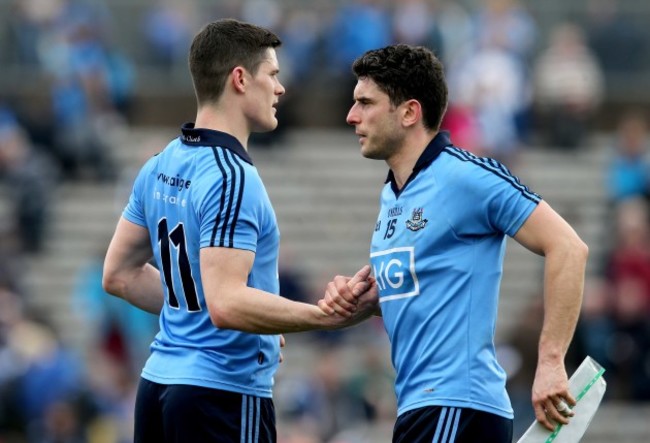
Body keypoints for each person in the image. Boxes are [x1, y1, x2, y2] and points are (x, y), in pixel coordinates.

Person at [102, 19, 377, 443]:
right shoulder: (232, 177)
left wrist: (251, 318)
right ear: (240, 79)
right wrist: (320, 317)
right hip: (219, 395)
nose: (280, 88)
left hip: (156, 387)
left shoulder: (160, 163)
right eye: (273, 75)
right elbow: (226, 304)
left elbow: (119, 275)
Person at [320, 44, 588, 442]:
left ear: (410, 112)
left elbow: (568, 247)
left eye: (365, 103)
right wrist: (373, 301)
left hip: (456, 406)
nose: (351, 115)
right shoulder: (393, 194)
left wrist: (550, 361)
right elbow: (434, 290)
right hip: (424, 408)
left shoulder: (466, 177)